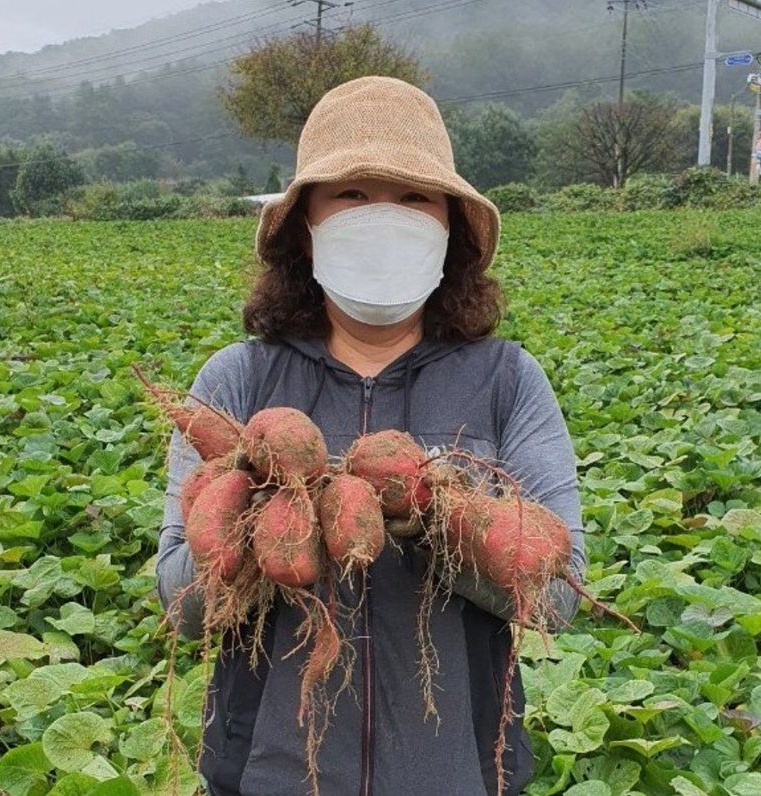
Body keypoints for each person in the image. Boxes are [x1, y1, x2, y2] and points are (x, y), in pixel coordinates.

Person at [157, 75, 586, 796]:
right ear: (305, 223)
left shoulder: (508, 380)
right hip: (266, 775)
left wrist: (428, 520)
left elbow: (558, 599)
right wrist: (259, 523)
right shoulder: (237, 382)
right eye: (352, 194)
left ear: (449, 225)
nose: (382, 216)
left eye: (414, 197)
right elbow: (178, 604)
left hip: (459, 774)